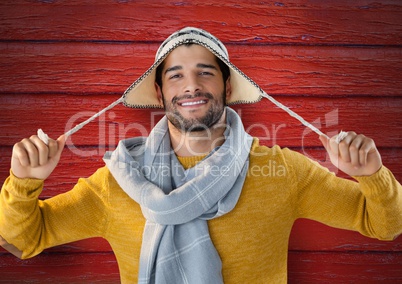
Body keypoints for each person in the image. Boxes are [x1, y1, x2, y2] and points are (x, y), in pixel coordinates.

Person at [0, 27, 401, 283]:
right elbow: (22, 241)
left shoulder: (284, 171)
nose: (191, 86)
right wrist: (24, 182)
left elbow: (385, 226)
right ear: (159, 94)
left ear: (228, 88)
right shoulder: (117, 182)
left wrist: (372, 173)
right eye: (175, 74)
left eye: (206, 72)